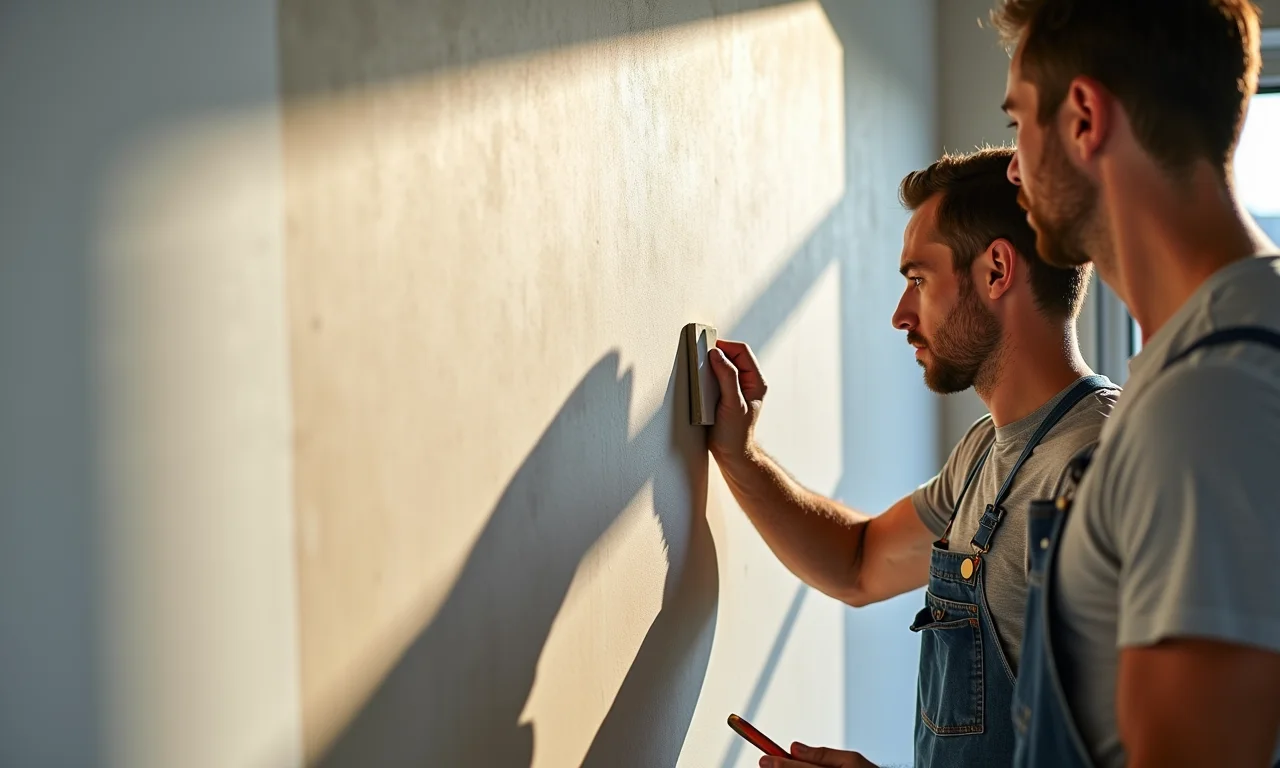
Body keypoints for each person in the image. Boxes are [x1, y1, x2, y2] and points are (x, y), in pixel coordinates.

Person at [708, 147, 1119, 768]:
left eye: (918, 280)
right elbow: (858, 562)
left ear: (997, 270)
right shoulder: (986, 450)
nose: (901, 315)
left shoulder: (1096, 466)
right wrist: (739, 454)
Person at [992, 1, 1280, 766]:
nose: (1013, 165)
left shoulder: (1208, 401)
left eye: (1019, 121)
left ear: (1083, 116)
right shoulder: (1212, 361)